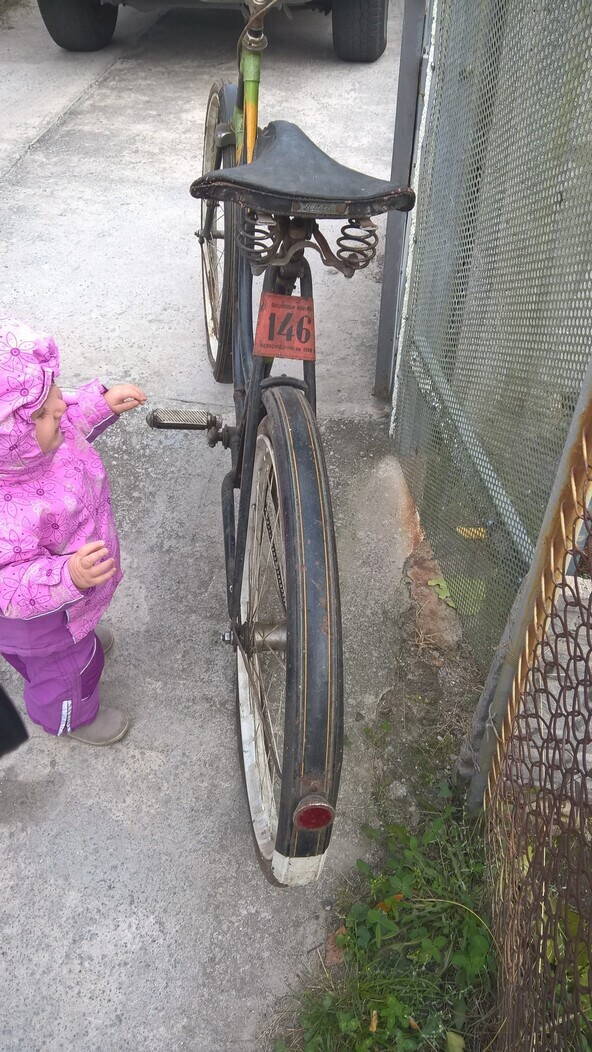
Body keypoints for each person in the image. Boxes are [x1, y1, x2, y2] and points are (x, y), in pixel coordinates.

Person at [0, 321, 146, 745]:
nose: (60, 408)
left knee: (80, 652)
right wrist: (68, 577)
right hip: (44, 622)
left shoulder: (42, 439)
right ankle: (71, 719)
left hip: (71, 604)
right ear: (10, 437)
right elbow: (10, 585)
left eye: (54, 394)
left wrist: (102, 404)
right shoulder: (7, 515)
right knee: (67, 676)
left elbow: (69, 418)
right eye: (43, 413)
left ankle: (81, 631)